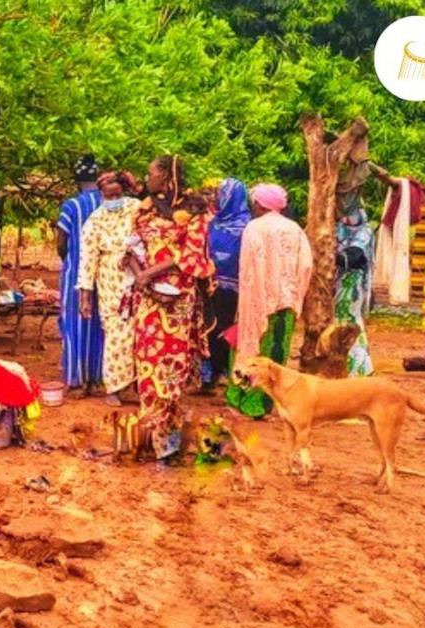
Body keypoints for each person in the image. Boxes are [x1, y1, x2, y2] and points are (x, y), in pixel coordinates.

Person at [132, 155, 213, 460]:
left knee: (171, 368)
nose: (147, 177)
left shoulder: (194, 211)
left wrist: (149, 273)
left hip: (177, 301)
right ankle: (153, 439)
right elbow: (132, 244)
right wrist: (140, 273)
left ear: (166, 175)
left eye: (151, 172)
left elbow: (190, 256)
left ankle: (169, 443)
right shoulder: (145, 207)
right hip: (149, 300)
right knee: (147, 364)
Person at [226, 183, 313, 418]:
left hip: (257, 301)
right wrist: (297, 298)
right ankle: (262, 405)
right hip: (286, 303)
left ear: (259, 204)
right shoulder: (295, 229)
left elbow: (247, 268)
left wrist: (246, 302)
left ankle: (241, 400)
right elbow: (306, 266)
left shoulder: (254, 228)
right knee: (275, 356)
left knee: (248, 350)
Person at [333, 125, 399, 377]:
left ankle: (359, 370)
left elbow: (357, 256)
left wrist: (334, 258)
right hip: (336, 287)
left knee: (350, 324)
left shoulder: (360, 226)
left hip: (351, 288)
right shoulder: (335, 224)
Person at [78, 171, 141, 406]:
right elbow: (87, 261)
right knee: (115, 333)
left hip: (137, 280)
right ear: (101, 196)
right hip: (109, 283)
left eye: (117, 195)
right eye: (109, 197)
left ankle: (137, 386)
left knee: (138, 333)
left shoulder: (136, 209)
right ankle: (113, 387)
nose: (114, 201)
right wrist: (85, 296)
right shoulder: (95, 221)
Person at [55, 155, 106, 394]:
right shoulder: (108, 202)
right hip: (104, 274)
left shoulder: (71, 206)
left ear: (77, 180)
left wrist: (70, 261)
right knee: (99, 325)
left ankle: (76, 380)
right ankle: (97, 379)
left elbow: (61, 242)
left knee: (74, 324)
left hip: (76, 273)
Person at [204, 178, 250, 389]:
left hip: (234, 287)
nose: (218, 197)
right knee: (208, 327)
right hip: (210, 283)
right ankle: (207, 374)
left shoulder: (247, 225)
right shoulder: (213, 221)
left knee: (226, 328)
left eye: (222, 194)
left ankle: (222, 371)